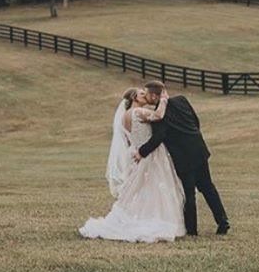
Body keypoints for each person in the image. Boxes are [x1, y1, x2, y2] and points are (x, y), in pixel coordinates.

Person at [78, 88, 186, 243]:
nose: (147, 96)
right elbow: (158, 115)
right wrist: (163, 99)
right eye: (142, 94)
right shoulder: (137, 112)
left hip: (136, 154)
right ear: (135, 97)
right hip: (149, 155)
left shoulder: (124, 116)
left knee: (141, 189)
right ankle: (151, 218)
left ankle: (139, 215)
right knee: (154, 188)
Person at [135, 81, 229, 236]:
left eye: (147, 94)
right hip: (198, 149)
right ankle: (223, 221)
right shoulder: (182, 100)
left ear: (154, 95)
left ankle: (192, 230)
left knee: (189, 193)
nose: (146, 98)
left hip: (183, 156)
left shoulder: (159, 116)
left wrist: (141, 152)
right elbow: (196, 121)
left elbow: (158, 138)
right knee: (208, 187)